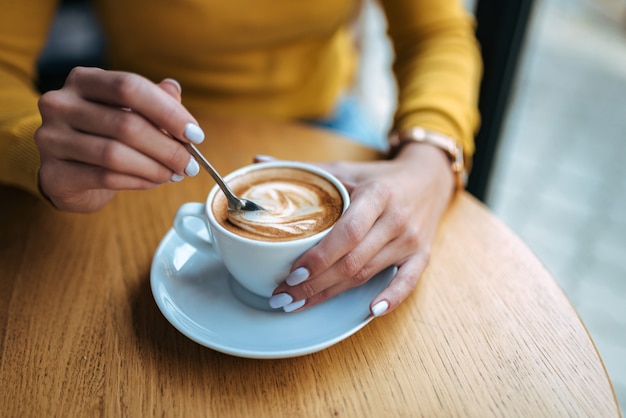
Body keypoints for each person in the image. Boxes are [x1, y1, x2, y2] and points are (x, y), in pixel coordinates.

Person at [0, 0, 482, 316]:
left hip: (328, 120)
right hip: (145, 142)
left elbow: (438, 35)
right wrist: (38, 148)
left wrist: (431, 159)